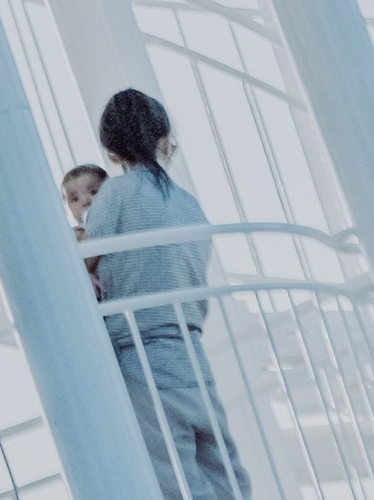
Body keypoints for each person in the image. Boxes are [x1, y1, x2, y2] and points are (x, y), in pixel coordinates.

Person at [86, 90, 247, 500]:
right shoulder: (190, 206)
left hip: (142, 355)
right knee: (224, 470)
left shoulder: (113, 197)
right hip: (192, 356)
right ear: (164, 139)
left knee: (174, 480)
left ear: (110, 151)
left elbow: (87, 260)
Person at [63, 162, 107, 297]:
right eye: (74, 199)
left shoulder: (113, 222)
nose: (85, 201)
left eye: (93, 192)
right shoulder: (76, 233)